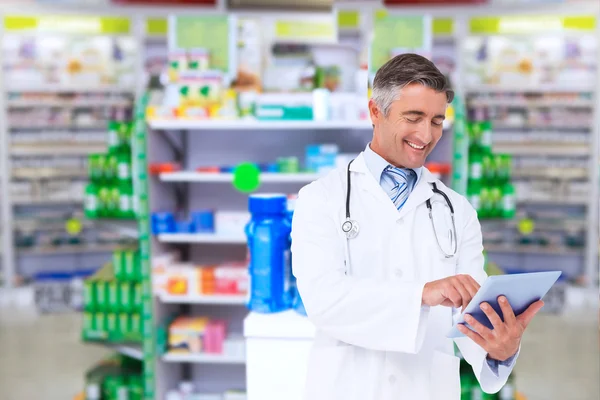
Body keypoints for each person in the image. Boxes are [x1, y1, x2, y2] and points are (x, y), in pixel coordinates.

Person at [290, 53, 545, 400]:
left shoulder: (458, 211)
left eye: (437, 121)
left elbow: (471, 310)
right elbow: (323, 301)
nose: (426, 135)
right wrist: (421, 295)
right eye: (414, 117)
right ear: (375, 112)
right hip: (347, 387)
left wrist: (499, 348)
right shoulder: (320, 199)